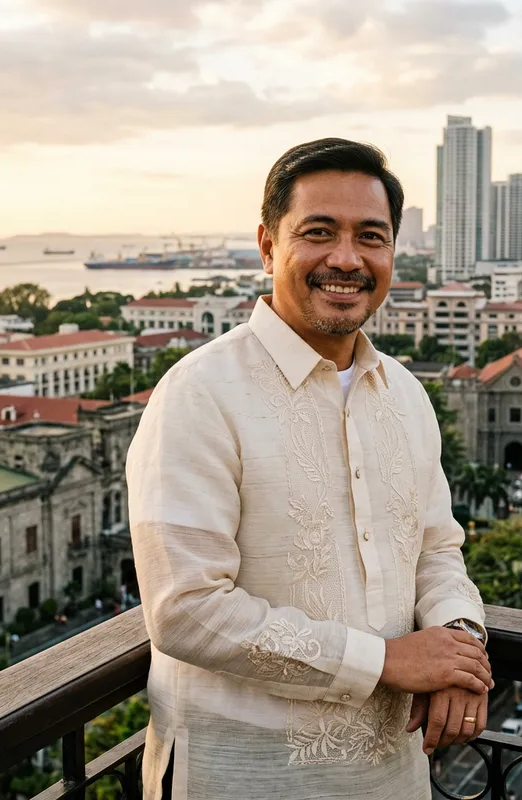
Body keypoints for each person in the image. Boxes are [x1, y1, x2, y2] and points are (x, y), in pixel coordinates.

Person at [126, 138, 491, 800]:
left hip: (395, 774)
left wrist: (458, 644)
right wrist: (385, 661)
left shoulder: (405, 394)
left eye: (370, 237)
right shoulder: (199, 394)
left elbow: (437, 547)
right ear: (269, 246)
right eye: (318, 233)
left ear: (392, 255)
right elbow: (185, 608)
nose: (346, 259)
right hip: (243, 777)